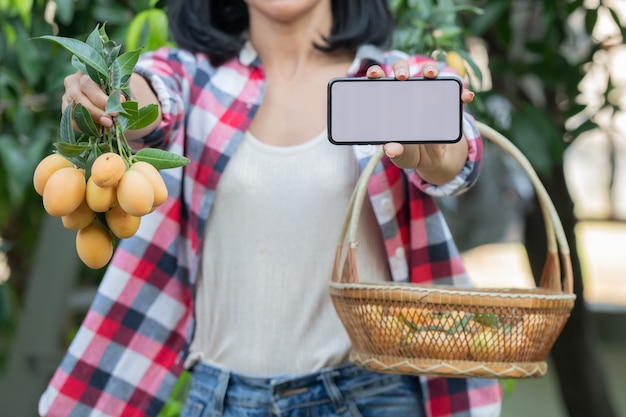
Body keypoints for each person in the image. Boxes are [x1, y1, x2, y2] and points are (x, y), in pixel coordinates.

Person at [39, 0, 503, 416]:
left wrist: (442, 151)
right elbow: (153, 97)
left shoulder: (390, 77)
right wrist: (109, 97)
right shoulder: (192, 76)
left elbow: (459, 157)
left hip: (373, 396)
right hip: (221, 399)